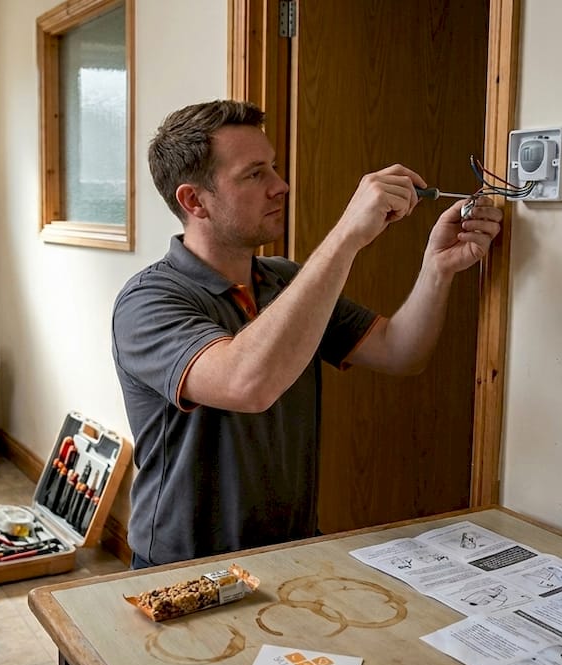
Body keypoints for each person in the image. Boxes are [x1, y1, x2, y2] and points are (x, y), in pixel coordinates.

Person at [111, 99, 503, 569]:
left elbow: (400, 351)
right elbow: (246, 383)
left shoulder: (285, 280)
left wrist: (437, 269)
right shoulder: (148, 302)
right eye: (255, 174)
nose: (281, 186)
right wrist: (347, 235)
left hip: (292, 555)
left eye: (273, 167)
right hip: (185, 569)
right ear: (194, 201)